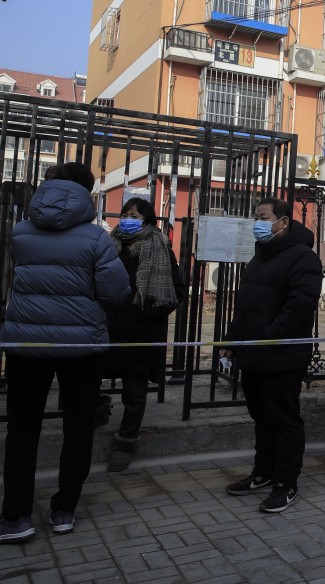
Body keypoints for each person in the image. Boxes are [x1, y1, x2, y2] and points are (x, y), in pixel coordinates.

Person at [0, 163, 131, 543]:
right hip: (81, 347)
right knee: (78, 427)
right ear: (87, 193)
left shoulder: (20, 232)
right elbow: (115, 292)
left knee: (23, 429)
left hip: (27, 343)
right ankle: (63, 510)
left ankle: (15, 516)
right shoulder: (96, 238)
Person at [220, 198, 322, 513]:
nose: (258, 222)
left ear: (283, 222)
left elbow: (298, 307)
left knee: (283, 419)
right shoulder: (260, 257)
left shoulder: (303, 258)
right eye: (256, 216)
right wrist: (231, 339)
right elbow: (246, 304)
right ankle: (263, 472)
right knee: (261, 418)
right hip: (253, 355)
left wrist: (265, 339)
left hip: (281, 355)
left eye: (263, 217)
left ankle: (285, 483)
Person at [102, 198, 186, 472]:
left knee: (134, 393)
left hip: (141, 331)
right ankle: (98, 409)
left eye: (135, 215)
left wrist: (149, 312)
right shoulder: (108, 244)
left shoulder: (159, 246)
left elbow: (176, 291)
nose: (129, 218)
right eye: (125, 213)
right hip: (107, 327)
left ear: (148, 219)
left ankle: (126, 441)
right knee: (87, 378)